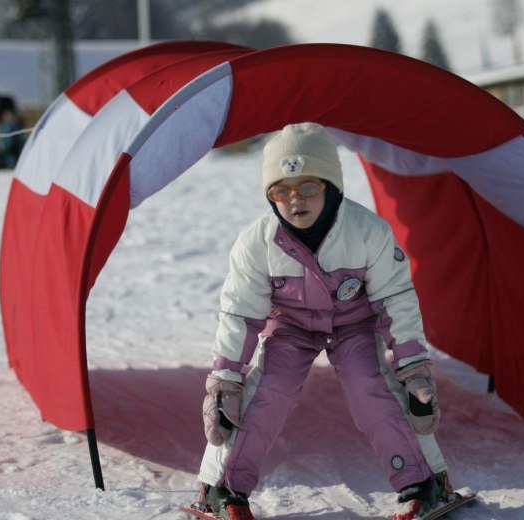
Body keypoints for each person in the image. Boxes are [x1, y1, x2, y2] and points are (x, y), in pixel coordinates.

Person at [194, 123, 455, 520]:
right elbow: (240, 313)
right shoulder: (257, 243)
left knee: (370, 386)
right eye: (281, 190)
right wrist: (225, 380)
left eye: (308, 187)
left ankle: (422, 481)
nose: (295, 200)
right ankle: (223, 487)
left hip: (353, 324)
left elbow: (395, 299)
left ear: (331, 187)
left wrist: (413, 369)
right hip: (291, 327)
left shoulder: (367, 232)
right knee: (267, 390)